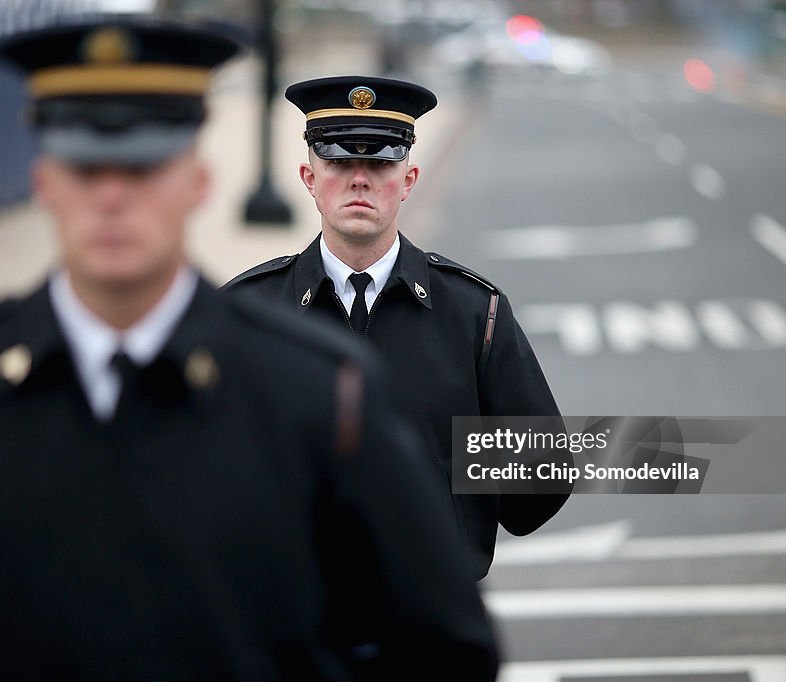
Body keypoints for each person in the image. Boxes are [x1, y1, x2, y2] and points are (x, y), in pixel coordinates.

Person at [0, 21, 499, 680]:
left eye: (144, 165)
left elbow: (539, 485)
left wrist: (456, 469)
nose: (113, 195)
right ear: (45, 181)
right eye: (85, 165)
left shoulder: (404, 345)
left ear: (197, 182)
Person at [226, 75, 573, 581]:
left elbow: (542, 481)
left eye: (381, 161)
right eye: (339, 160)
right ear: (308, 176)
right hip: (292, 626)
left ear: (408, 180)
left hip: (429, 622)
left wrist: (443, 477)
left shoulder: (474, 313)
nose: (359, 179)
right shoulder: (248, 314)